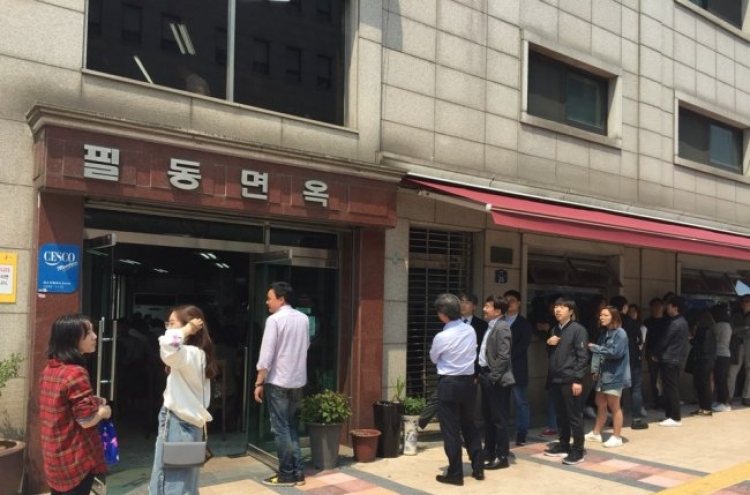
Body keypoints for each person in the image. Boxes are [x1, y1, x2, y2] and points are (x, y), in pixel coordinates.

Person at [40, 314, 112, 495]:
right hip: (75, 459)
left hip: (55, 456)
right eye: (88, 332)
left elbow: (63, 404)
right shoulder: (76, 372)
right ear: (72, 339)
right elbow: (86, 420)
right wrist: (103, 412)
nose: (95, 336)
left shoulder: (51, 368)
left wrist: (94, 400)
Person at [149, 305, 217, 495]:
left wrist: (187, 329)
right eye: (167, 323)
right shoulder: (198, 354)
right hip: (191, 423)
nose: (168, 328)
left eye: (172, 323)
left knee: (171, 481)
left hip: (178, 422)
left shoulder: (189, 354)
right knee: (185, 480)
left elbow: (167, 345)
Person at [254, 282, 310, 487]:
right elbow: (307, 346)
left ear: (281, 299)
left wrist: (259, 382)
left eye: (270, 298)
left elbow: (266, 354)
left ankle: (286, 473)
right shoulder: (304, 319)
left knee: (280, 428)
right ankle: (297, 472)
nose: (267, 302)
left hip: (278, 380)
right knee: (291, 426)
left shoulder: (274, 320)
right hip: (297, 380)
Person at [430, 293, 484, 486]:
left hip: (450, 384)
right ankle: (478, 467)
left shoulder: (442, 336)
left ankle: (455, 474)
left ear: (444, 314)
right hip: (469, 383)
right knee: (469, 424)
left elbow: (434, 358)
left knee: (451, 430)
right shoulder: (469, 330)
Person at [419, 292, 487, 429]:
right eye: (461, 301)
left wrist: (477, 372)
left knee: (465, 412)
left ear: (474, 306)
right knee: (442, 402)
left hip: (469, 373)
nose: (463, 305)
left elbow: (479, 350)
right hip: (449, 375)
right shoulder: (448, 325)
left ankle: (420, 423)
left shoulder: (479, 326)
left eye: (467, 302)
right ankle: (420, 423)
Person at [543, 298, 589, 465]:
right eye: (556, 306)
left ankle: (578, 450)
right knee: (560, 415)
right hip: (555, 378)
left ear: (571, 311)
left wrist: (578, 379)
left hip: (570, 379)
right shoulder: (555, 329)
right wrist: (549, 343)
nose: (558, 309)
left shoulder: (578, 330)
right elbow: (552, 352)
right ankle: (564, 445)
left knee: (574, 416)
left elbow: (583, 357)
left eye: (562, 307)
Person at [585, 307, 630, 448]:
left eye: (605, 315)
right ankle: (596, 432)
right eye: (601, 315)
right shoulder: (604, 333)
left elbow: (616, 353)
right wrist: (594, 370)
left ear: (614, 317)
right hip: (602, 374)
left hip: (615, 375)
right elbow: (598, 354)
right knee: (600, 402)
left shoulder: (620, 333)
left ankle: (617, 436)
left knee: (614, 406)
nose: (601, 317)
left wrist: (596, 348)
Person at [478, 295, 514, 470]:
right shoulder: (491, 326)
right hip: (486, 376)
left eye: (487, 306)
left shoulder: (502, 327)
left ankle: (502, 455)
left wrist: (493, 377)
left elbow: (503, 355)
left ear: (498, 311)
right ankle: (489, 450)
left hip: (496, 380)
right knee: (488, 417)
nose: (484, 309)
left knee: (499, 419)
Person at [610, 295, 647, 430]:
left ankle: (615, 418)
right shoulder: (633, 323)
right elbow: (639, 341)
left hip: (615, 361)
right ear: (624, 307)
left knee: (615, 391)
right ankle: (636, 419)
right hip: (633, 360)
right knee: (635, 389)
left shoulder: (610, 323)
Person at [652, 295, 689, 427]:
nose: (666, 308)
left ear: (675, 307)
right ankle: (670, 415)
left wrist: (655, 352)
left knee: (670, 388)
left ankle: (675, 417)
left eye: (668, 306)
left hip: (670, 359)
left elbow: (665, 340)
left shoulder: (675, 323)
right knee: (669, 388)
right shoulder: (683, 322)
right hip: (676, 359)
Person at [503, 289, 532, 446]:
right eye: (506, 300)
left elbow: (523, 345)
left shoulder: (523, 323)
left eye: (512, 300)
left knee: (520, 401)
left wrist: (505, 357)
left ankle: (522, 432)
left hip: (516, 368)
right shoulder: (500, 321)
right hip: (500, 369)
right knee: (501, 401)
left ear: (519, 303)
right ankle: (503, 431)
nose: (509, 303)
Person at [688, 308, 715, 417]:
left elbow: (702, 347)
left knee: (703, 385)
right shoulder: (708, 330)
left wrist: (692, 340)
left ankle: (706, 408)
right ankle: (702, 407)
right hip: (706, 360)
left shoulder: (706, 331)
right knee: (701, 385)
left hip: (704, 361)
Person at [644, 297, 668, 409]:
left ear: (663, 307)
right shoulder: (647, 322)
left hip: (666, 354)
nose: (657, 308)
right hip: (651, 353)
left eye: (659, 306)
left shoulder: (668, 321)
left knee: (666, 379)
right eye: (654, 306)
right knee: (654, 379)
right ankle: (657, 402)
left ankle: (665, 401)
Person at [728, 295, 750, 407]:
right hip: (737, 345)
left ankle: (747, 397)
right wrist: (745, 328)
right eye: (743, 301)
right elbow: (731, 330)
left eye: (747, 301)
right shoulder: (736, 315)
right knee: (732, 371)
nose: (744, 303)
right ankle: (729, 397)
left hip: (748, 345)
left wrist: (740, 330)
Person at [711, 303, 732, 412]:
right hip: (724, 355)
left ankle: (724, 403)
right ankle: (721, 401)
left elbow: (712, 335)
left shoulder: (719, 325)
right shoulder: (727, 325)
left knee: (721, 380)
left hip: (720, 355)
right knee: (721, 379)